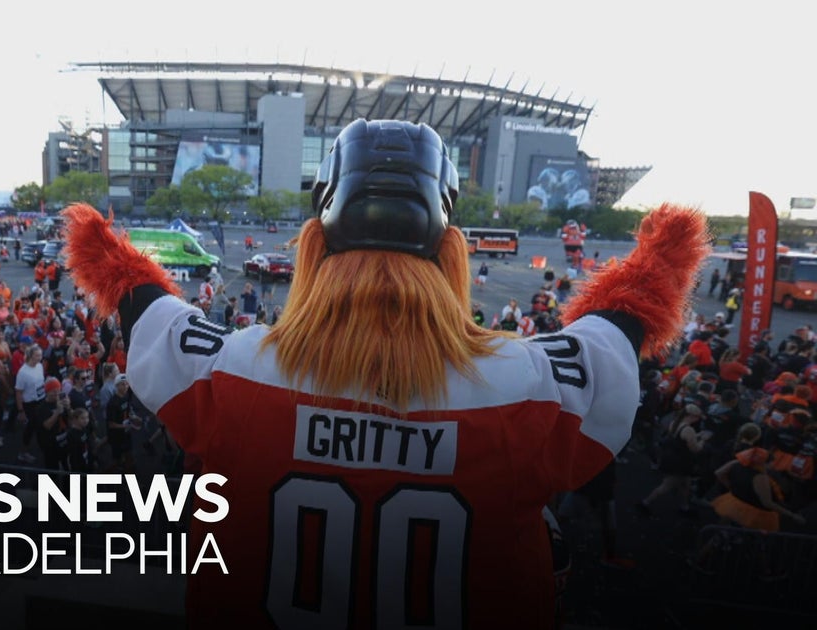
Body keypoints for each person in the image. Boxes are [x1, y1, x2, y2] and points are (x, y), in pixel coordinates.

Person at [63, 118, 710, 629]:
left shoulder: (231, 370)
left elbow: (147, 310)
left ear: (315, 246)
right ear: (451, 252)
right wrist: (659, 262)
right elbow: (617, 330)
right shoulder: (529, 386)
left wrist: (104, 252)